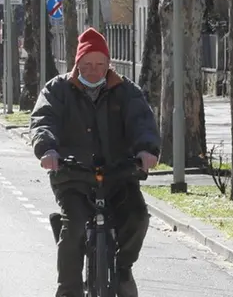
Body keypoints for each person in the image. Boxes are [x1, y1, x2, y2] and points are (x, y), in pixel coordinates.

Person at [30, 28, 160, 297]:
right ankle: (68, 290)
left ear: (108, 63)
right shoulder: (57, 89)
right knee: (74, 226)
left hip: (119, 174)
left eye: (100, 64)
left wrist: (147, 150)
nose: (93, 70)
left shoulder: (126, 91)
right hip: (73, 175)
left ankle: (123, 268)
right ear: (77, 63)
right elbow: (44, 120)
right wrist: (47, 150)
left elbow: (142, 123)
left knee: (137, 216)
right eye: (87, 64)